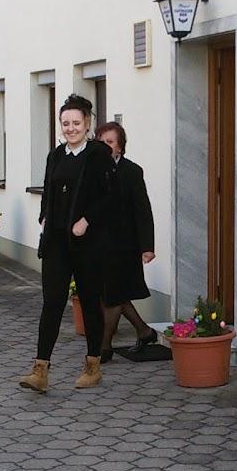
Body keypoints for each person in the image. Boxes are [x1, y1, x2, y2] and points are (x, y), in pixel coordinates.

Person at [19, 94, 115, 393]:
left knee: (89, 302)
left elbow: (110, 196)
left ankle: (93, 365)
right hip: (57, 241)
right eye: (65, 123)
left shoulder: (98, 154)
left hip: (87, 242)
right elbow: (48, 191)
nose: (70, 128)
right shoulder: (56, 155)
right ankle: (40, 370)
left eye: (76, 123)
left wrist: (87, 220)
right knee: (52, 302)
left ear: (87, 123)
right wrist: (44, 217)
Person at [94, 121, 158, 361]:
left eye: (110, 142)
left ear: (120, 146)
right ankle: (144, 331)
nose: (105, 146)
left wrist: (147, 246)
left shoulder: (132, 171)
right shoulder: (91, 170)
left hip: (124, 246)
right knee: (112, 293)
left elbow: (143, 210)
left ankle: (104, 347)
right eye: (101, 142)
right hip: (98, 244)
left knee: (113, 295)